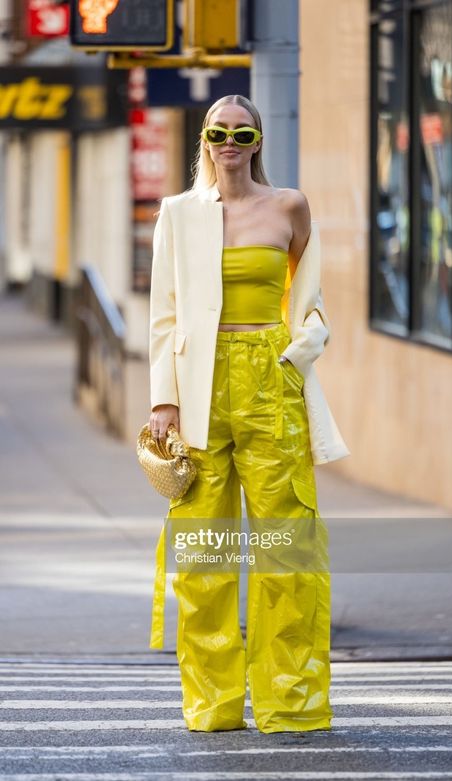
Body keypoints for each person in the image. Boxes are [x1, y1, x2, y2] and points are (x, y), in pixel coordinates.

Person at [148, 94, 349, 734]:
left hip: (271, 379)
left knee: (285, 549)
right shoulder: (177, 214)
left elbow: (313, 302)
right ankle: (214, 703)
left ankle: (291, 701)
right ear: (203, 140)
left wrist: (295, 357)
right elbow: (164, 314)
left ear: (257, 139)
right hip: (199, 387)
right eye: (217, 131)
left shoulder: (289, 206)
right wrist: (163, 399)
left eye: (241, 131)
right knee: (204, 554)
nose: (229, 141)